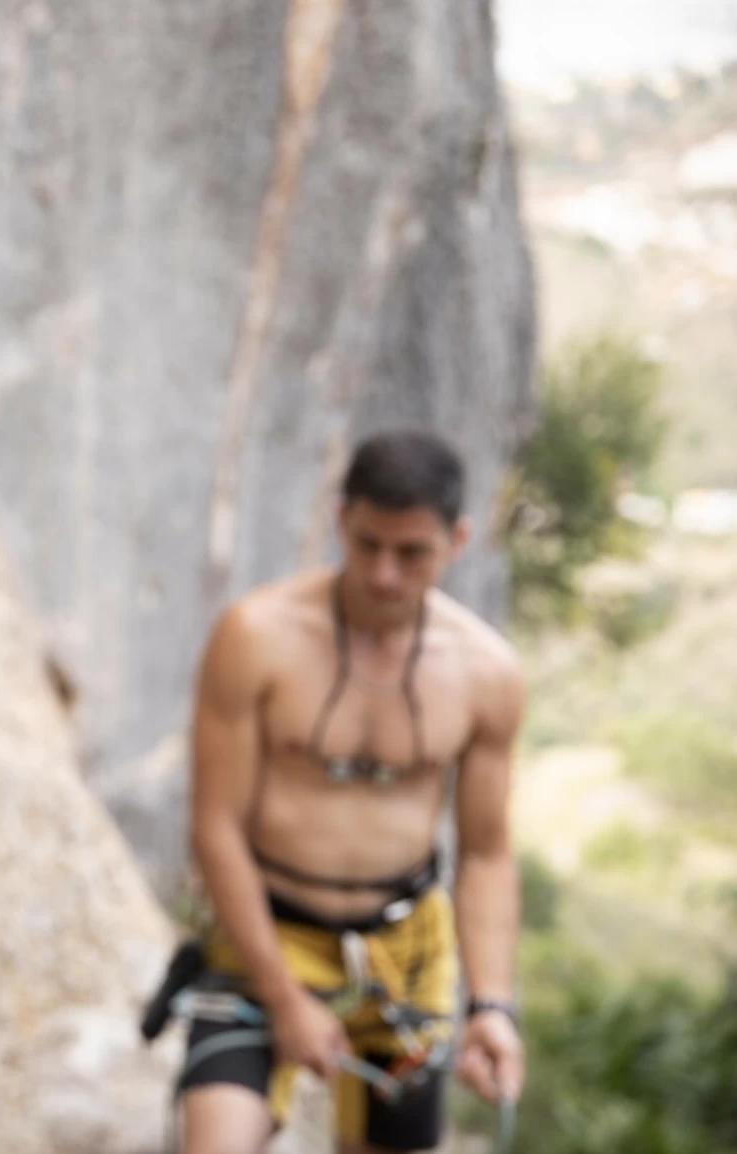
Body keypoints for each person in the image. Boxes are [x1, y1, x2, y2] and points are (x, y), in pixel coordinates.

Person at [176, 430, 525, 1154]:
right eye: (368, 545)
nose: (386, 574)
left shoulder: (487, 673)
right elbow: (215, 827)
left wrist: (491, 1003)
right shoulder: (256, 636)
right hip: (265, 933)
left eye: (412, 553)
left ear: (457, 540)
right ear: (341, 520)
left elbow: (487, 852)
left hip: (404, 955)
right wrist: (283, 996)